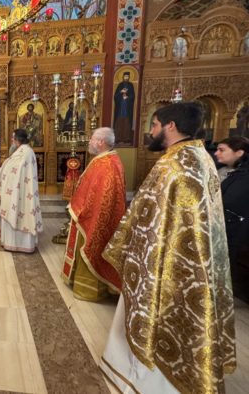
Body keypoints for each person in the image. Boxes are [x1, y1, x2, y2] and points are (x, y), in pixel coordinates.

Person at [100, 102, 236, 393]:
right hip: (195, 265)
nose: (151, 132)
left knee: (157, 317)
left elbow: (146, 218)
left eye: (154, 125)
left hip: (162, 265)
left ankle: (143, 382)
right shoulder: (202, 158)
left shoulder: (172, 165)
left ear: (170, 126)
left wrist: (128, 247)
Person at [62, 128, 126, 301]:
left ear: (101, 142)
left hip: (94, 216)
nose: (89, 142)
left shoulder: (108, 164)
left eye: (92, 139)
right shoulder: (105, 160)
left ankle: (90, 290)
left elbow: (104, 197)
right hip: (89, 212)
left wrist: (84, 211)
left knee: (92, 247)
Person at [0, 129, 42, 253]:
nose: (11, 140)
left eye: (13, 138)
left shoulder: (25, 153)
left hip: (21, 192)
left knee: (22, 213)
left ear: (18, 140)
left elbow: (15, 171)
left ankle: (20, 244)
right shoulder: (23, 151)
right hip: (17, 191)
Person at [215, 136, 249, 302]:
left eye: (222, 150)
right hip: (222, 224)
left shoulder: (244, 175)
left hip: (233, 228)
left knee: (227, 263)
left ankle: (223, 296)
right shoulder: (222, 168)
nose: (216, 153)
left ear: (239, 153)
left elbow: (228, 202)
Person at [112, 72, 135, 145]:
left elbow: (133, 96)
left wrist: (127, 97)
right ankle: (118, 138)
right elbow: (115, 96)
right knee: (119, 122)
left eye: (127, 76)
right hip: (120, 107)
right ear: (123, 77)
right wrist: (120, 92)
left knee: (127, 123)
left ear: (129, 77)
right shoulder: (120, 85)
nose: (126, 78)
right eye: (125, 76)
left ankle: (126, 139)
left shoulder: (130, 85)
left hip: (127, 107)